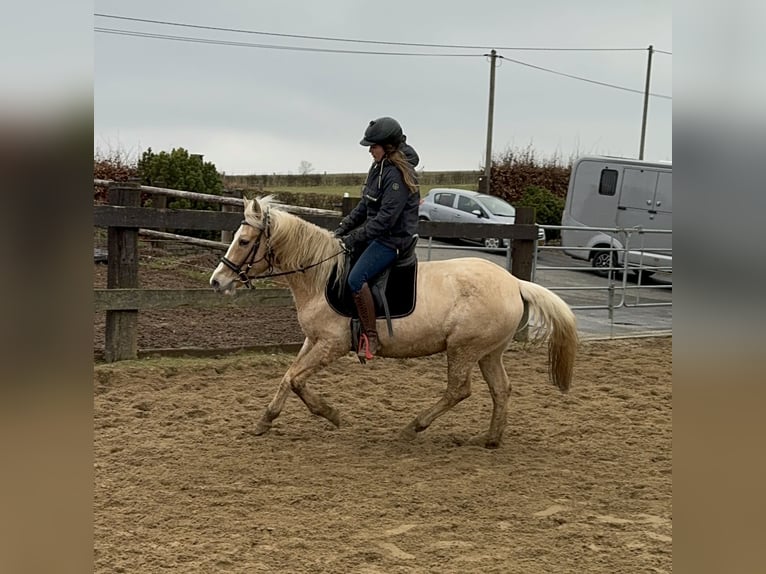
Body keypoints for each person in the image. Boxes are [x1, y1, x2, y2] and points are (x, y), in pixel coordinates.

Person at [333, 117, 420, 361]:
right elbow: (364, 206)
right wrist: (342, 229)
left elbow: (385, 220)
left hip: (393, 240)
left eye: (373, 146)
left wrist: (355, 238)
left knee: (355, 278)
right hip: (378, 234)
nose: (370, 151)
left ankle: (371, 337)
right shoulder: (378, 168)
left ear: (388, 146)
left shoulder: (397, 177)